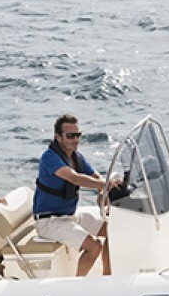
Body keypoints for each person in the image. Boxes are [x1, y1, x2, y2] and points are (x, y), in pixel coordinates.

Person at [34, 114, 120, 276]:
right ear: (58, 137)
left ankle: (107, 276)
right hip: (50, 222)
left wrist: (103, 191)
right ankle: (77, 284)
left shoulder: (76, 157)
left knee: (112, 231)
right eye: (70, 136)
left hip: (69, 216)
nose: (75, 140)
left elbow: (95, 177)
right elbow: (74, 178)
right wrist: (105, 185)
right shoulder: (49, 158)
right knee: (94, 246)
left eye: (78, 135)